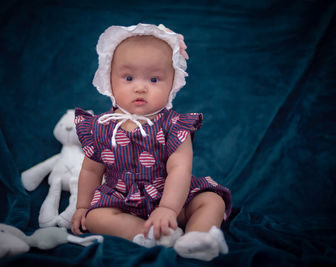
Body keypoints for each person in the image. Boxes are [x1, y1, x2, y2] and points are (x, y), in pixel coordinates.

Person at [71, 23, 232, 261]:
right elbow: (91, 170)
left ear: (173, 83)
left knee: (211, 201)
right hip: (121, 200)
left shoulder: (175, 125)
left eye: (154, 79)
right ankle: (145, 234)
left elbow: (180, 169)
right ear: (109, 79)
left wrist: (168, 209)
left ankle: (197, 238)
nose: (140, 87)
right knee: (96, 218)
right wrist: (82, 207)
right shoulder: (101, 126)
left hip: (172, 200)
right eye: (128, 77)